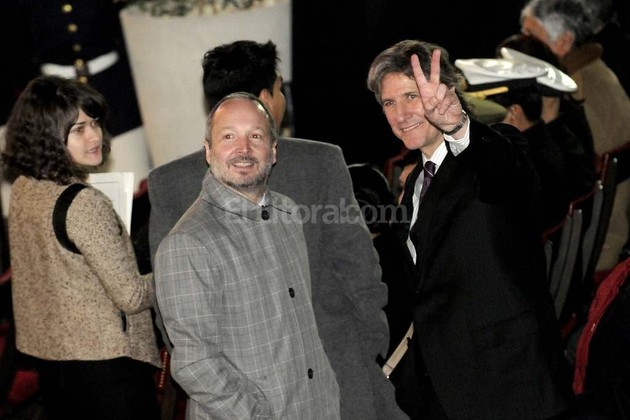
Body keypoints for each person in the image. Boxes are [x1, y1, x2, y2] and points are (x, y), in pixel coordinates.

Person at [147, 40, 406, 419]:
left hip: (325, 382)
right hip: (286, 387)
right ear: (267, 96)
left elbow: (166, 315)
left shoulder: (169, 181)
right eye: (280, 88)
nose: (243, 149)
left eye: (254, 136)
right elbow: (360, 270)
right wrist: (369, 349)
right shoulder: (322, 160)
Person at [366, 39, 572, 419]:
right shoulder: (414, 184)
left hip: (508, 381)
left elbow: (509, 173)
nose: (401, 114)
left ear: (446, 92)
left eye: (412, 96)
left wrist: (458, 126)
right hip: (444, 383)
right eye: (389, 103)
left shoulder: (493, 151)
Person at [154, 92, 340, 419]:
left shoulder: (288, 213)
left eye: (255, 136)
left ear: (273, 150)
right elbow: (196, 364)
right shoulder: (187, 242)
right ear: (208, 151)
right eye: (229, 137)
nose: (243, 149)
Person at [1, 75, 160, 420]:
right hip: (107, 370)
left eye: (95, 123)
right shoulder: (84, 203)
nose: (94, 136)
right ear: (47, 137)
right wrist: (172, 274)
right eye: (78, 129)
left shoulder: (25, 187)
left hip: (55, 365)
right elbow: (132, 297)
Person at [520, 0, 630, 270]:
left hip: (584, 253)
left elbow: (566, 188)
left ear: (564, 41)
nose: (521, 44)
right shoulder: (594, 73)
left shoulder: (577, 91)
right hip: (598, 237)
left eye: (530, 35)